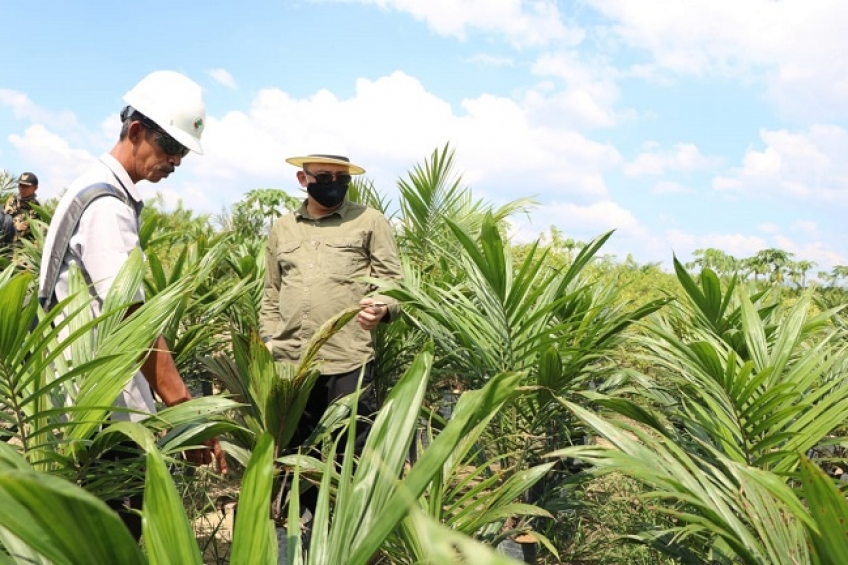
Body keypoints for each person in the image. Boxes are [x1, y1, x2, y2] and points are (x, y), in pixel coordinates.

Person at [37, 70, 227, 538]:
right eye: (170, 146)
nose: (176, 161)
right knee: (115, 537)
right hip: (100, 409)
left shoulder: (97, 189)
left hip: (86, 400)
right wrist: (184, 410)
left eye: (183, 153)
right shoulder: (106, 206)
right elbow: (132, 319)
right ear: (136, 131)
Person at [260, 151, 402, 517]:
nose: (333, 185)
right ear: (303, 179)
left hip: (347, 360)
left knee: (349, 452)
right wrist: (268, 339)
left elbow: (393, 284)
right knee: (294, 453)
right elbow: (272, 291)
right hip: (291, 363)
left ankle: (345, 529)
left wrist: (382, 307)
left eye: (342, 179)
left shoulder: (370, 221)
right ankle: (301, 526)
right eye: (324, 178)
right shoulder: (283, 228)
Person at [2, 171, 40, 244]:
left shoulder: (37, 210)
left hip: (19, 247)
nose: (22, 188)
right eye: (20, 185)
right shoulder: (11, 200)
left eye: (26, 186)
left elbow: (37, 237)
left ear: (35, 188)